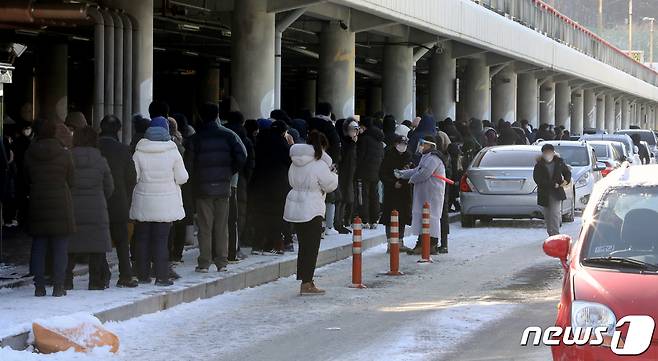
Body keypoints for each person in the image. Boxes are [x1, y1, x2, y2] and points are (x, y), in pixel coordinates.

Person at [130, 115, 189, 286]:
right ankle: (162, 276)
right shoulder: (173, 151)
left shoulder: (139, 151)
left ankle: (142, 275)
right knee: (161, 240)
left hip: (144, 202)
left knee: (142, 238)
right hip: (165, 204)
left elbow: (134, 177)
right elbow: (182, 177)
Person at [187, 103, 246, 273]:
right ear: (217, 116)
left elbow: (189, 165)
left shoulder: (196, 139)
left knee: (205, 227)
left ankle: (204, 262)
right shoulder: (228, 136)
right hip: (223, 186)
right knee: (222, 226)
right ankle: (222, 261)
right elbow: (241, 157)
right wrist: (229, 171)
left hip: (203, 188)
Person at [25, 119, 75, 297]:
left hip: (38, 201)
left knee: (39, 245)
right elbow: (71, 179)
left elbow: (25, 179)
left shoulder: (30, 152)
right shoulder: (64, 153)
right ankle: (58, 287)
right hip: (60, 202)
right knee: (60, 246)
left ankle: (39, 287)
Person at [284, 131, 338, 295]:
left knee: (303, 246)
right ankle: (308, 282)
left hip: (296, 206)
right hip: (312, 207)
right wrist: (334, 174)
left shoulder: (295, 162)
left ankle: (304, 280)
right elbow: (329, 185)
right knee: (312, 247)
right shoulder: (319, 164)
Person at [66, 126, 114, 291]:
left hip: (71, 207)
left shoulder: (68, 158)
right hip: (96, 208)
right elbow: (109, 187)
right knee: (96, 246)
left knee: (69, 245)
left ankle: (66, 280)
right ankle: (95, 282)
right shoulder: (101, 160)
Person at [98, 115, 138, 288]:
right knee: (122, 241)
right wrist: (126, 197)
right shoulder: (123, 150)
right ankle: (125, 275)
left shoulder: (94, 147)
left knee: (98, 239)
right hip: (119, 200)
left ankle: (101, 274)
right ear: (118, 130)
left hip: (97, 201)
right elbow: (132, 178)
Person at [396, 135, 446, 255]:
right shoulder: (426, 157)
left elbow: (423, 174)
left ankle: (430, 244)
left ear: (430, 145)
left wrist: (409, 180)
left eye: (423, 144)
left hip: (432, 195)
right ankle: (422, 243)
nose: (421, 146)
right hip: (424, 194)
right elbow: (417, 170)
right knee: (423, 218)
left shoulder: (433, 158)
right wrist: (401, 174)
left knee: (431, 219)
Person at [249, 120, 291, 254]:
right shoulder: (283, 144)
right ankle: (274, 244)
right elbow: (288, 162)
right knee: (277, 215)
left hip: (259, 184)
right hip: (278, 184)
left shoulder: (259, 141)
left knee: (260, 214)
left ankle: (257, 244)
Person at [224, 111, 256, 260]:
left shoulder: (222, 134)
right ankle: (234, 248)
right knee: (236, 216)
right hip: (238, 180)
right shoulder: (244, 139)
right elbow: (249, 162)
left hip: (218, 179)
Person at [380, 135, 412, 252]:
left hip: (404, 191)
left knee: (402, 216)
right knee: (390, 216)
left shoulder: (408, 156)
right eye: (400, 143)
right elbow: (382, 174)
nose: (402, 146)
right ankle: (390, 243)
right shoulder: (388, 155)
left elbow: (411, 171)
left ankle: (400, 241)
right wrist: (393, 183)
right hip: (391, 192)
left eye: (405, 144)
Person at [533, 144, 571, 236]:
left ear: (553, 153)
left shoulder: (559, 162)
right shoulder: (539, 165)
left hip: (556, 192)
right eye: (545, 153)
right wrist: (551, 184)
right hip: (544, 192)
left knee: (555, 213)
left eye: (549, 152)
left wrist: (565, 181)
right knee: (547, 214)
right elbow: (537, 178)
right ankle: (550, 233)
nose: (548, 154)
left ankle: (555, 234)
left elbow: (567, 172)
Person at [356, 116, 385, 229]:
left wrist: (357, 171)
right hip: (376, 172)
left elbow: (360, 157)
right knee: (374, 195)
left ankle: (365, 219)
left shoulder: (364, 139)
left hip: (364, 172)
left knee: (364, 195)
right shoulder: (379, 140)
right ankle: (374, 219)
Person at [335, 118, 359, 233]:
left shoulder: (351, 143)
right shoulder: (343, 143)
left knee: (345, 199)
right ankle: (337, 223)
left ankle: (341, 222)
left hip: (349, 174)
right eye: (352, 129)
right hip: (342, 174)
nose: (355, 132)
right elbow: (344, 159)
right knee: (340, 199)